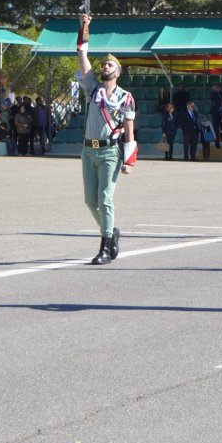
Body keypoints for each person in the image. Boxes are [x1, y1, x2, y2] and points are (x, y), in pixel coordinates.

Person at [76, 14, 137, 265]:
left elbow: (129, 130)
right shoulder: (93, 88)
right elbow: (82, 57)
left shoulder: (126, 97)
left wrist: (129, 160)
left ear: (118, 72)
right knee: (90, 201)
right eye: (103, 64)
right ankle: (112, 231)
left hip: (110, 152)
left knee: (105, 198)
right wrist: (83, 27)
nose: (105, 67)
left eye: (110, 65)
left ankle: (104, 247)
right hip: (88, 151)